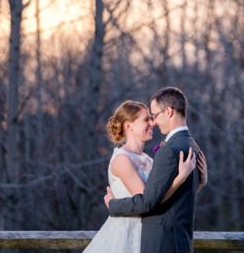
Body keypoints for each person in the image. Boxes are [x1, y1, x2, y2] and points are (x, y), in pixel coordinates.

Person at [84, 100, 199, 253]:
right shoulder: (122, 159)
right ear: (129, 126)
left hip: (150, 234)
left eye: (151, 118)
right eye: (146, 120)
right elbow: (147, 202)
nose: (152, 123)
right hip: (126, 236)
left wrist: (200, 182)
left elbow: (162, 199)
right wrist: (179, 179)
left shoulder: (149, 160)